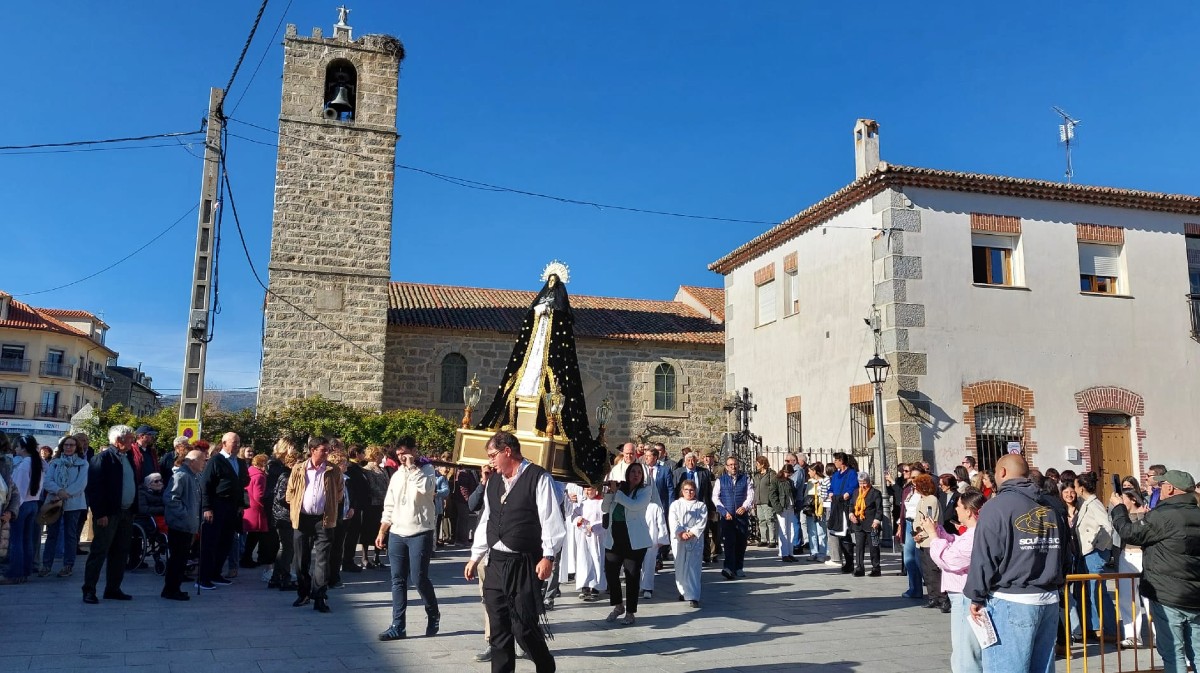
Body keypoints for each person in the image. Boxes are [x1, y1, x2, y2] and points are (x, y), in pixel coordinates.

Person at [473, 266, 607, 482]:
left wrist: (552, 314)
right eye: (549, 282)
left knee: (550, 386)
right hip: (533, 352)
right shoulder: (537, 310)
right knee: (517, 384)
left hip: (550, 358)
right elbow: (528, 328)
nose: (551, 287)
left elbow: (562, 337)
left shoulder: (561, 316)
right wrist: (540, 313)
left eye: (555, 283)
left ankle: (549, 424)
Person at [465, 431, 565, 673]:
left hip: (524, 563)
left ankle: (545, 666)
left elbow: (551, 519)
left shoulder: (538, 478)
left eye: (492, 455)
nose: (490, 461)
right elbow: (487, 520)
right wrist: (475, 555)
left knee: (523, 628)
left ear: (507, 451)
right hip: (496, 562)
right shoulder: (494, 481)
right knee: (498, 628)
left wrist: (548, 556)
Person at [965, 454, 1068, 673]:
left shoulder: (997, 507)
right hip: (1048, 597)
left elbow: (984, 556)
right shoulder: (1051, 506)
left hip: (1012, 598)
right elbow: (1065, 552)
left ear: (1002, 472)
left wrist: (976, 595)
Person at [1109, 469, 1200, 673]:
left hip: (1168, 595)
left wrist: (1119, 509)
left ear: (1170, 488)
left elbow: (1129, 533)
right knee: (1197, 651)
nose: (1158, 488)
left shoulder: (1163, 515)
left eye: (1161, 485)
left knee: (1173, 653)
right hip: (1194, 595)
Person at [376, 441, 440, 641]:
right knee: (397, 580)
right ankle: (398, 625)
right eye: (399, 454)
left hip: (420, 531)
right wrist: (382, 530)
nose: (402, 457)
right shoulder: (396, 475)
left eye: (406, 453)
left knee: (419, 578)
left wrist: (413, 468)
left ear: (414, 451)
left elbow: (428, 489)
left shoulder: (427, 470)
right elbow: (390, 504)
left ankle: (433, 612)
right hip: (397, 532)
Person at [923, 489, 985, 672]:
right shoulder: (972, 533)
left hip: (965, 596)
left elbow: (949, 560)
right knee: (962, 649)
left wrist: (933, 537)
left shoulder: (976, 535)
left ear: (968, 511)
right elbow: (956, 543)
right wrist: (939, 532)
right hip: (961, 595)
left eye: (958, 506)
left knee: (965, 651)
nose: (955, 510)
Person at [80, 425, 139, 603]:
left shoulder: (127, 457)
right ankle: (89, 590)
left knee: (120, 552)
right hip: (108, 514)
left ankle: (113, 588)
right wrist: (100, 513)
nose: (132, 441)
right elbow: (95, 489)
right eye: (129, 438)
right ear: (118, 441)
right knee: (99, 552)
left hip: (126, 513)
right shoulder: (102, 459)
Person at [286, 437, 344, 613]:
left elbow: (340, 493)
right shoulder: (298, 469)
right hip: (302, 519)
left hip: (323, 519)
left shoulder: (333, 470)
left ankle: (319, 596)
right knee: (301, 559)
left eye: (328, 450)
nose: (327, 453)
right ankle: (303, 592)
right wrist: (296, 505)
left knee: (322, 560)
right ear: (313, 450)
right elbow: (290, 492)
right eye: (323, 450)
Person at [197, 432, 248, 590]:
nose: (237, 445)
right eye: (234, 442)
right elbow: (206, 485)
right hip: (216, 504)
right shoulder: (216, 460)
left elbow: (241, 485)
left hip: (232, 507)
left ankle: (216, 573)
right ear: (224, 443)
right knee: (211, 542)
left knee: (226, 541)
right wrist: (207, 508)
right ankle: (203, 577)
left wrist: (240, 505)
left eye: (239, 442)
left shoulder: (240, 462)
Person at [1073, 471, 1118, 640]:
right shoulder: (1086, 503)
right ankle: (1094, 626)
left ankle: (1110, 629)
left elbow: (1107, 527)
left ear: (1082, 488)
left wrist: (1099, 548)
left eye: (1076, 486)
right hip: (1086, 554)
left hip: (1093, 554)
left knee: (1097, 592)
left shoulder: (1094, 504)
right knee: (1089, 591)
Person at [40, 435, 88, 578]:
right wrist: (59, 491)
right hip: (54, 502)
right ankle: (46, 565)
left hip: (73, 503)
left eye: (71, 445)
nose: (68, 447)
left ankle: (68, 565)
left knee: (70, 535)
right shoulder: (55, 463)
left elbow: (80, 484)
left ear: (76, 447)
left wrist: (64, 493)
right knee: (52, 534)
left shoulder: (82, 464)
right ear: (62, 447)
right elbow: (47, 481)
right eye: (66, 445)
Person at [162, 449, 205, 600]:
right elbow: (171, 498)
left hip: (189, 525)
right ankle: (170, 590)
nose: (204, 464)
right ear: (192, 461)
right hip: (180, 525)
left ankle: (174, 588)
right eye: (202, 460)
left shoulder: (194, 476)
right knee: (177, 559)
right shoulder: (181, 475)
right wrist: (186, 515)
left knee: (181, 559)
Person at [1, 435, 44, 584]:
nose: (15, 448)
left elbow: (18, 489)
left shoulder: (25, 464)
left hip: (22, 504)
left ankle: (15, 573)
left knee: (16, 540)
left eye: (18, 446)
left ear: (24, 448)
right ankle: (25, 570)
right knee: (27, 539)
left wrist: (11, 510)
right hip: (33, 503)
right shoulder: (39, 462)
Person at [713, 455, 754, 580]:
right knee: (729, 542)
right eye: (730, 465)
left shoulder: (745, 479)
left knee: (741, 542)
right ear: (726, 467)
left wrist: (745, 507)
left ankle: (739, 567)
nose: (733, 467)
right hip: (728, 517)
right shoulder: (721, 480)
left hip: (741, 516)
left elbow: (750, 495)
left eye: (735, 464)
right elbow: (715, 497)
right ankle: (728, 568)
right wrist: (723, 511)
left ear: (738, 465)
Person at [670, 479, 707, 608]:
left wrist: (691, 533)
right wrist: (680, 533)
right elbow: (673, 520)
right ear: (682, 491)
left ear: (695, 491)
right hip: (680, 539)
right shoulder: (676, 504)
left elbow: (702, 522)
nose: (689, 492)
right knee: (680, 565)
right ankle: (683, 591)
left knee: (693, 567)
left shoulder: (701, 506)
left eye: (691, 490)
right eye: (686, 490)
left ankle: (693, 595)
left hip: (694, 539)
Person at [672, 452, 715, 563]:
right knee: (685, 530)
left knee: (703, 531)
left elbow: (709, 492)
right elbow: (674, 491)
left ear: (696, 461)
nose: (691, 463)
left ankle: (705, 555)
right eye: (688, 460)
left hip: (700, 506)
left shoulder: (704, 473)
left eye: (693, 460)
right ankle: (684, 555)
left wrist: (711, 508)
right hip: (683, 507)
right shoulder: (677, 473)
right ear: (685, 461)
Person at [911, 472, 945, 608]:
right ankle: (932, 597)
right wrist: (916, 533)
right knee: (926, 571)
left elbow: (931, 520)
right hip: (921, 540)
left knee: (933, 570)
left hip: (929, 540)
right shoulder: (922, 500)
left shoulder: (931, 500)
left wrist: (922, 534)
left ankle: (942, 598)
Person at [268, 447, 300, 590]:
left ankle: (276, 578)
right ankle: (284, 579)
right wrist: (296, 505)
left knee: (285, 548)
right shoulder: (287, 476)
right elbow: (282, 497)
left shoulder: (289, 475)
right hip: (284, 517)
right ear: (292, 463)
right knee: (287, 549)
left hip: (284, 516)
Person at [569, 484, 606, 601]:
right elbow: (574, 516)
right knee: (584, 560)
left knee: (597, 560)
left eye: (590, 489)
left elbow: (606, 520)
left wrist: (595, 527)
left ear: (596, 490)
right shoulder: (582, 503)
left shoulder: (601, 503)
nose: (587, 492)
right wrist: (578, 520)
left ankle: (595, 586)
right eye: (585, 489)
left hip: (597, 537)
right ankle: (585, 587)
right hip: (584, 536)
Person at [826, 452, 858, 572]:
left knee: (845, 534)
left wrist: (848, 493)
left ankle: (849, 563)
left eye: (836, 460)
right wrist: (830, 492)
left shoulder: (851, 473)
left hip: (844, 505)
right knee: (838, 534)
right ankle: (845, 561)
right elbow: (831, 487)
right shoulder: (835, 475)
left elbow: (853, 486)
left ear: (842, 461)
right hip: (836, 505)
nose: (835, 462)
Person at [848, 472, 883, 577]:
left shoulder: (875, 493)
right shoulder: (855, 492)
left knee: (874, 547)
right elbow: (851, 505)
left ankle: (876, 568)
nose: (862, 485)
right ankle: (859, 568)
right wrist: (851, 515)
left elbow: (879, 508)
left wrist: (877, 520)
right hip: (858, 524)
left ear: (869, 482)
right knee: (859, 547)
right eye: (860, 483)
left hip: (872, 524)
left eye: (864, 483)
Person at [360, 446, 390, 568]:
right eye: (380, 454)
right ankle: (365, 557)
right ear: (374, 455)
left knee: (380, 529)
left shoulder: (382, 470)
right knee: (368, 529)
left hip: (383, 504)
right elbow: (372, 486)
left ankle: (377, 556)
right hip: (372, 504)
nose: (382, 457)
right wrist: (385, 495)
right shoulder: (367, 469)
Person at [240, 454, 270, 567]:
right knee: (254, 537)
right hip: (256, 509)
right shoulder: (260, 476)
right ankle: (247, 559)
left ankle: (246, 558)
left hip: (249, 507)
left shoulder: (250, 472)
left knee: (250, 537)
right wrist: (266, 504)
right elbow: (259, 495)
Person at [770, 465, 798, 563]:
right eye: (787, 473)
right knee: (784, 531)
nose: (788, 475)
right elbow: (772, 495)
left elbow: (793, 494)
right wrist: (778, 508)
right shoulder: (776, 480)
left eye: (789, 473)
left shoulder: (790, 481)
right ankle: (784, 553)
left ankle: (790, 553)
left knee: (791, 531)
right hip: (782, 508)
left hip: (790, 507)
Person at [803, 462, 829, 562]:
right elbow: (806, 495)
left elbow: (825, 495)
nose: (808, 473)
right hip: (810, 509)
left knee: (821, 532)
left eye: (810, 471)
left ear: (814, 471)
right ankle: (813, 552)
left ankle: (822, 553)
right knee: (811, 532)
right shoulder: (810, 482)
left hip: (820, 509)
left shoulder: (824, 481)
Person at [751, 456, 776, 548]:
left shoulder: (771, 474)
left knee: (770, 519)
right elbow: (754, 488)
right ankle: (763, 539)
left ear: (763, 464)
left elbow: (773, 486)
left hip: (767, 501)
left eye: (757, 463)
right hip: (759, 501)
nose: (756, 465)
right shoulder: (756, 475)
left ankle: (772, 540)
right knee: (761, 520)